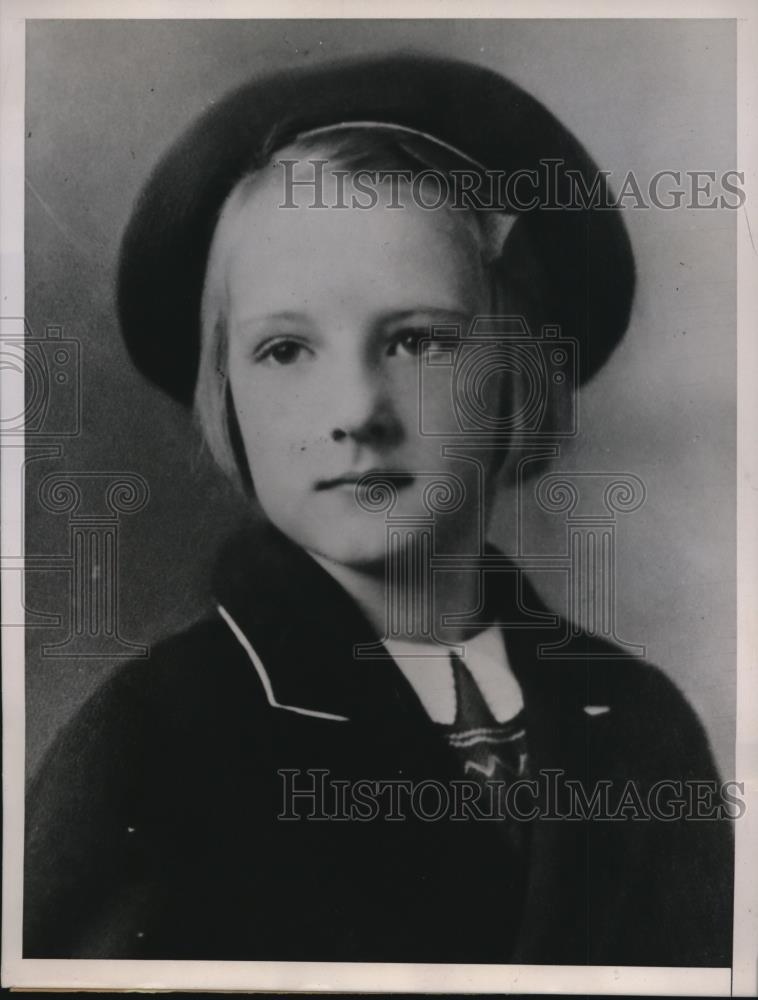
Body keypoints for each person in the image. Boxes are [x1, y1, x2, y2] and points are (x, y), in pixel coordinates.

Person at [24, 54, 733, 965]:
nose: (357, 411)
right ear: (227, 388)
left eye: (416, 340)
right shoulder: (151, 749)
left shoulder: (640, 724)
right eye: (285, 350)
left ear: (517, 373)